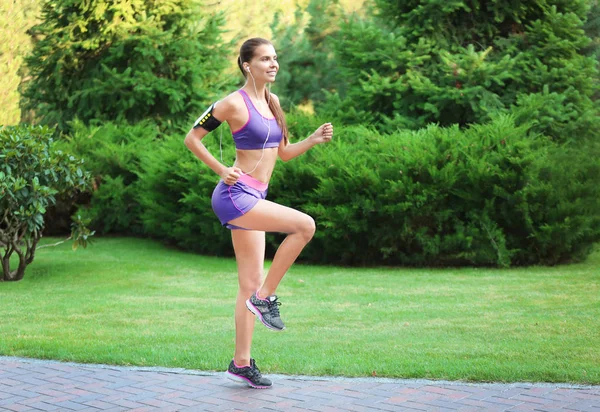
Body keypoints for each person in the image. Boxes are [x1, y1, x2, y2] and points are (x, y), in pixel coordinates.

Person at [184, 37, 334, 389]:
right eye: (265, 59)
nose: (273, 64)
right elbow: (192, 139)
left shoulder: (273, 101)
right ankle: (265, 299)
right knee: (305, 226)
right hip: (235, 195)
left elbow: (281, 153)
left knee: (247, 284)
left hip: (255, 194)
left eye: (275, 58)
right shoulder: (230, 104)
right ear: (246, 65)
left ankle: (241, 363)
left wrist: (310, 140)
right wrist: (222, 169)